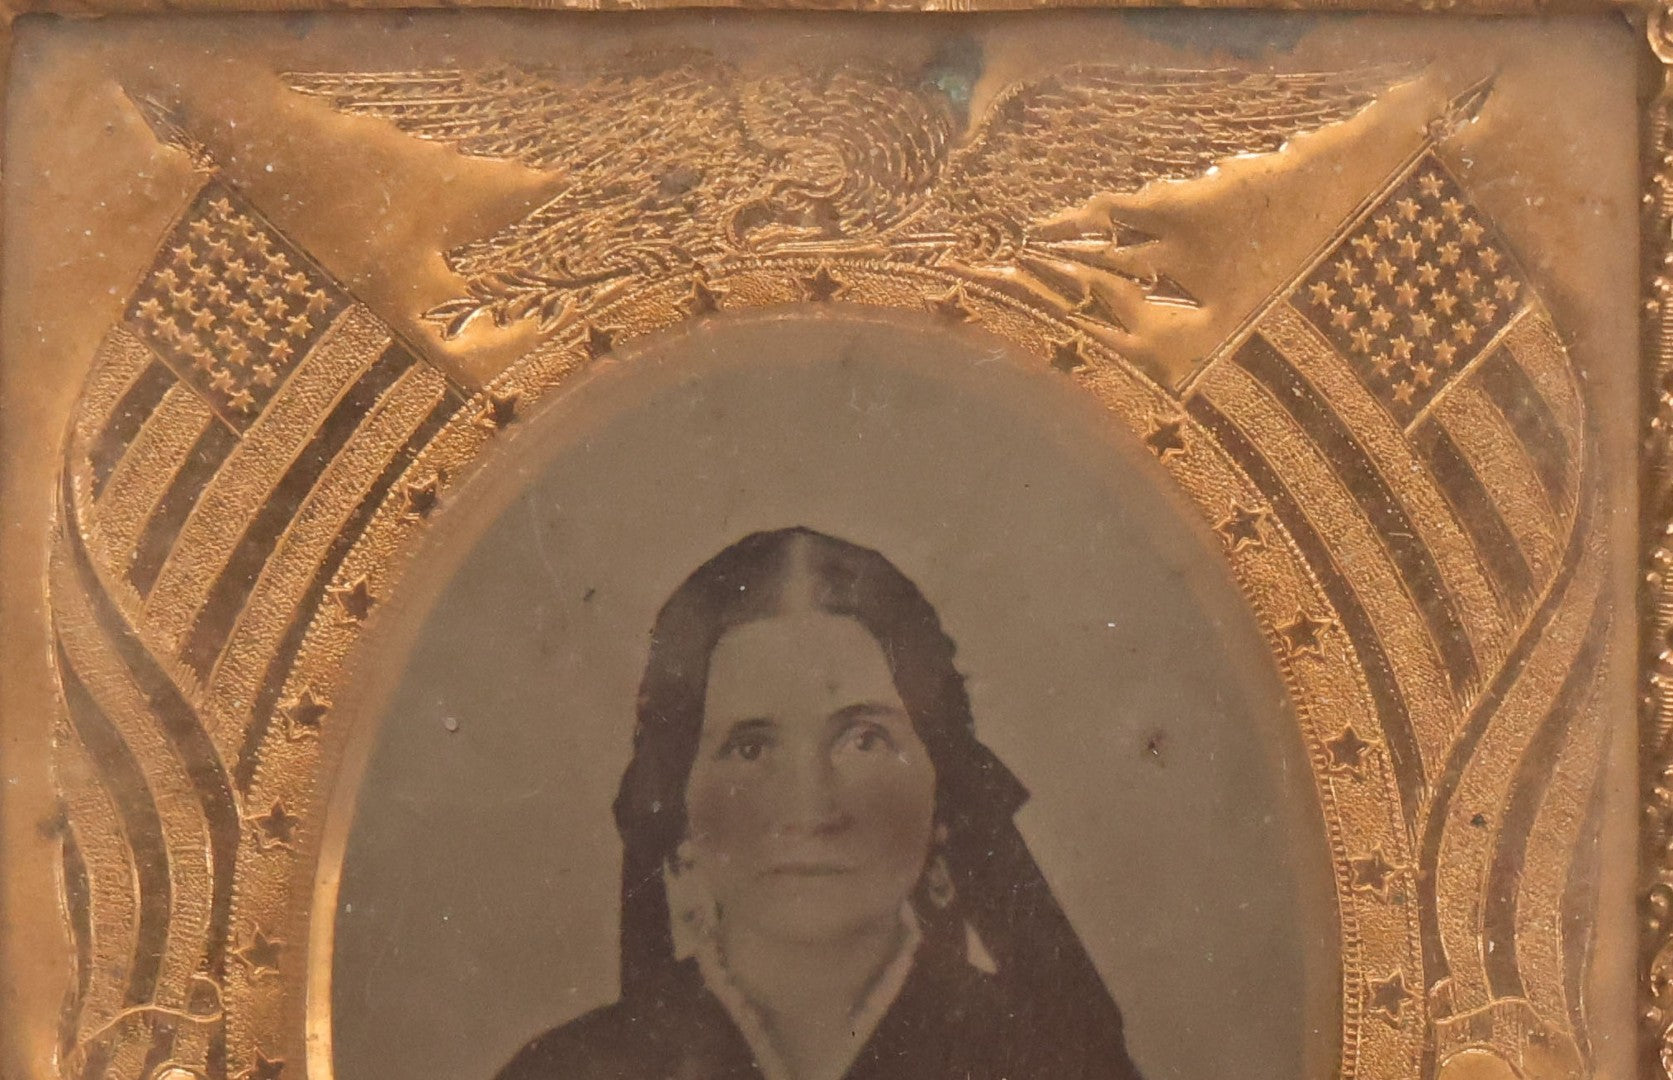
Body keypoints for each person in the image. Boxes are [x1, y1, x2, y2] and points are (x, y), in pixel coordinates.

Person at [497, 527, 1144, 1080]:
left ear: (941, 786)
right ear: (678, 800)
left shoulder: (1051, 1065)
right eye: (751, 749)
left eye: (863, 739)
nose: (809, 807)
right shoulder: (565, 1072)